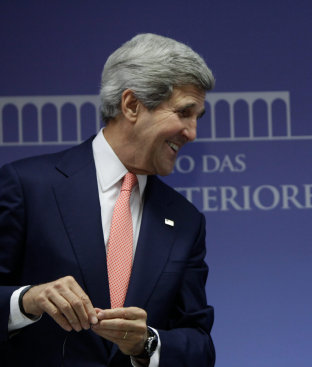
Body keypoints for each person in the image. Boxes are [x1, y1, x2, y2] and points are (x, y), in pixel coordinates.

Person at [0, 33, 215, 366]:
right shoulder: (27, 187)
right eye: (184, 113)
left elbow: (199, 344)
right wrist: (27, 300)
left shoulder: (185, 221)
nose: (192, 133)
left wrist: (147, 343)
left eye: (197, 118)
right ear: (131, 105)